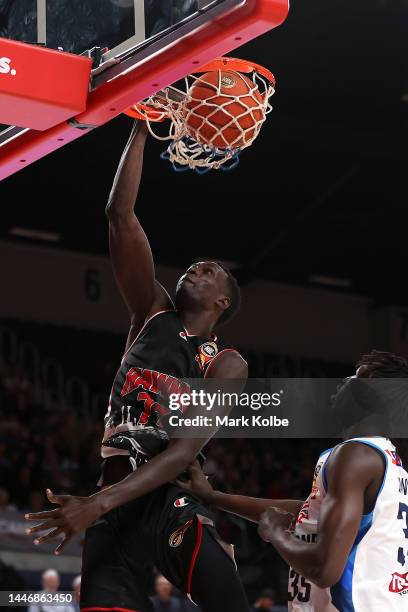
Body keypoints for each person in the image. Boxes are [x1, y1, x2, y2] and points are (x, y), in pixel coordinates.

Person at [26, 121, 250, 612]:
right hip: (112, 497)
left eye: (210, 270)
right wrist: (143, 128)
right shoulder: (151, 310)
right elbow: (119, 213)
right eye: (195, 263)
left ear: (221, 301)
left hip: (166, 501)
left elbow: (180, 452)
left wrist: (97, 505)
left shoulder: (227, 363)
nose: (196, 267)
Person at [178, 350, 408, 611]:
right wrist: (213, 496)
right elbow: (307, 514)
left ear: (368, 391)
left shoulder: (356, 455)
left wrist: (274, 532)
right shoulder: (387, 462)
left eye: (354, 376)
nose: (342, 381)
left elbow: (323, 569)